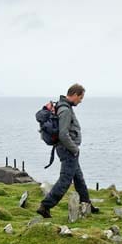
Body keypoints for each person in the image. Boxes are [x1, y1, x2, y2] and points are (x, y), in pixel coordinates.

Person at [37, 83, 99, 218]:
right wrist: (74, 149)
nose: (80, 101)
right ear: (75, 95)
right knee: (65, 180)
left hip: (67, 149)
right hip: (67, 150)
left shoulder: (63, 106)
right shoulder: (65, 110)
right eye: (80, 98)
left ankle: (86, 204)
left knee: (79, 179)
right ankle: (45, 206)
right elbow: (63, 134)